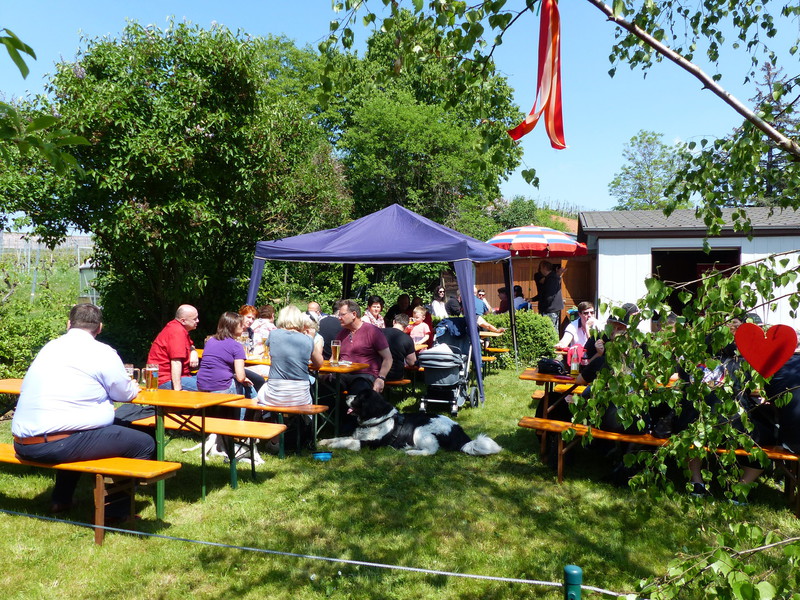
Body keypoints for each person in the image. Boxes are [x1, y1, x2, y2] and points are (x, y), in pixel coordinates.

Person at [11, 304, 155, 519]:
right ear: (100, 328)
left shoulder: (50, 347)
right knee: (143, 442)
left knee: (76, 433)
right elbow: (124, 394)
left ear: (69, 324)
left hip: (23, 443)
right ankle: (116, 512)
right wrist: (133, 386)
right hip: (57, 443)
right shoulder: (102, 352)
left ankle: (61, 500)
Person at [257, 305, 323, 407]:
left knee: (258, 393)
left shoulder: (273, 334)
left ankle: (263, 415)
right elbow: (319, 363)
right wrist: (311, 338)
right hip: (300, 397)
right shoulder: (308, 339)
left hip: (275, 395)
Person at [335, 299, 392, 395]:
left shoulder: (372, 331)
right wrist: (325, 373)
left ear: (354, 314)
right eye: (339, 315)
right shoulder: (342, 333)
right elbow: (334, 358)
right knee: (322, 385)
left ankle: (353, 405)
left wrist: (381, 378)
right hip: (343, 374)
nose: (339, 318)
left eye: (342, 315)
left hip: (365, 375)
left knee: (359, 388)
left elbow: (388, 358)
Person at [196, 312, 255, 398]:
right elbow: (241, 377)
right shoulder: (236, 346)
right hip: (222, 387)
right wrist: (242, 378)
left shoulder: (210, 341)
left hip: (201, 385)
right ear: (232, 327)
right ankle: (256, 404)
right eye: (240, 324)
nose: (243, 327)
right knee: (248, 387)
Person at [148, 304, 200, 391]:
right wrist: (177, 391)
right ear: (183, 321)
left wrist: (193, 352)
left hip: (183, 376)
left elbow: (190, 345)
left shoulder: (177, 328)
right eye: (195, 319)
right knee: (209, 388)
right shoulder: (177, 332)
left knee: (212, 382)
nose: (198, 321)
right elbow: (176, 362)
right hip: (165, 379)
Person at [383, 314, 417, 381]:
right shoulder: (407, 339)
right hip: (395, 375)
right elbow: (411, 362)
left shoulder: (379, 332)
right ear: (407, 325)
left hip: (376, 372)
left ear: (394, 322)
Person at [532, 260, 564, 331]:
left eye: (541, 268)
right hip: (553, 308)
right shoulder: (553, 277)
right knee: (553, 329)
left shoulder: (551, 279)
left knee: (548, 330)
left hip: (549, 309)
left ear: (544, 268)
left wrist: (544, 307)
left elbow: (549, 296)